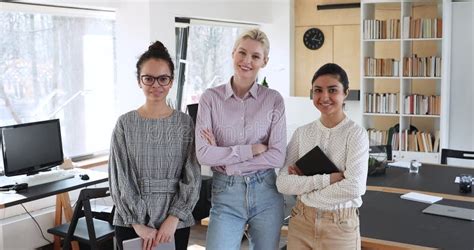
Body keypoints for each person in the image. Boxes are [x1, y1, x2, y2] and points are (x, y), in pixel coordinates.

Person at [195, 29, 286, 250]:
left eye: (255, 56)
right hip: (225, 194)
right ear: (233, 53)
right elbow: (203, 154)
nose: (247, 61)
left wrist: (227, 160)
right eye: (242, 53)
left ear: (264, 61)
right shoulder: (210, 98)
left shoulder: (273, 100)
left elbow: (277, 156)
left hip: (266, 192)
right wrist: (252, 149)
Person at [108, 41, 201, 250]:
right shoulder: (125, 123)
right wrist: (138, 224)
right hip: (131, 220)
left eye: (163, 79)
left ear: (171, 82)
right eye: (148, 78)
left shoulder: (185, 123)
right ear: (139, 81)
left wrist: (174, 218)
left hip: (175, 221)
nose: (156, 85)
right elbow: (119, 178)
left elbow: (192, 175)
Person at [276, 63, 369, 250]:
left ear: (345, 93)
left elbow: (354, 187)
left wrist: (305, 191)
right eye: (318, 90)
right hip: (301, 222)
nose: (324, 97)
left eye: (332, 90)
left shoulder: (356, 134)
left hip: (340, 226)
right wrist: (328, 180)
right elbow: (282, 183)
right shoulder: (302, 134)